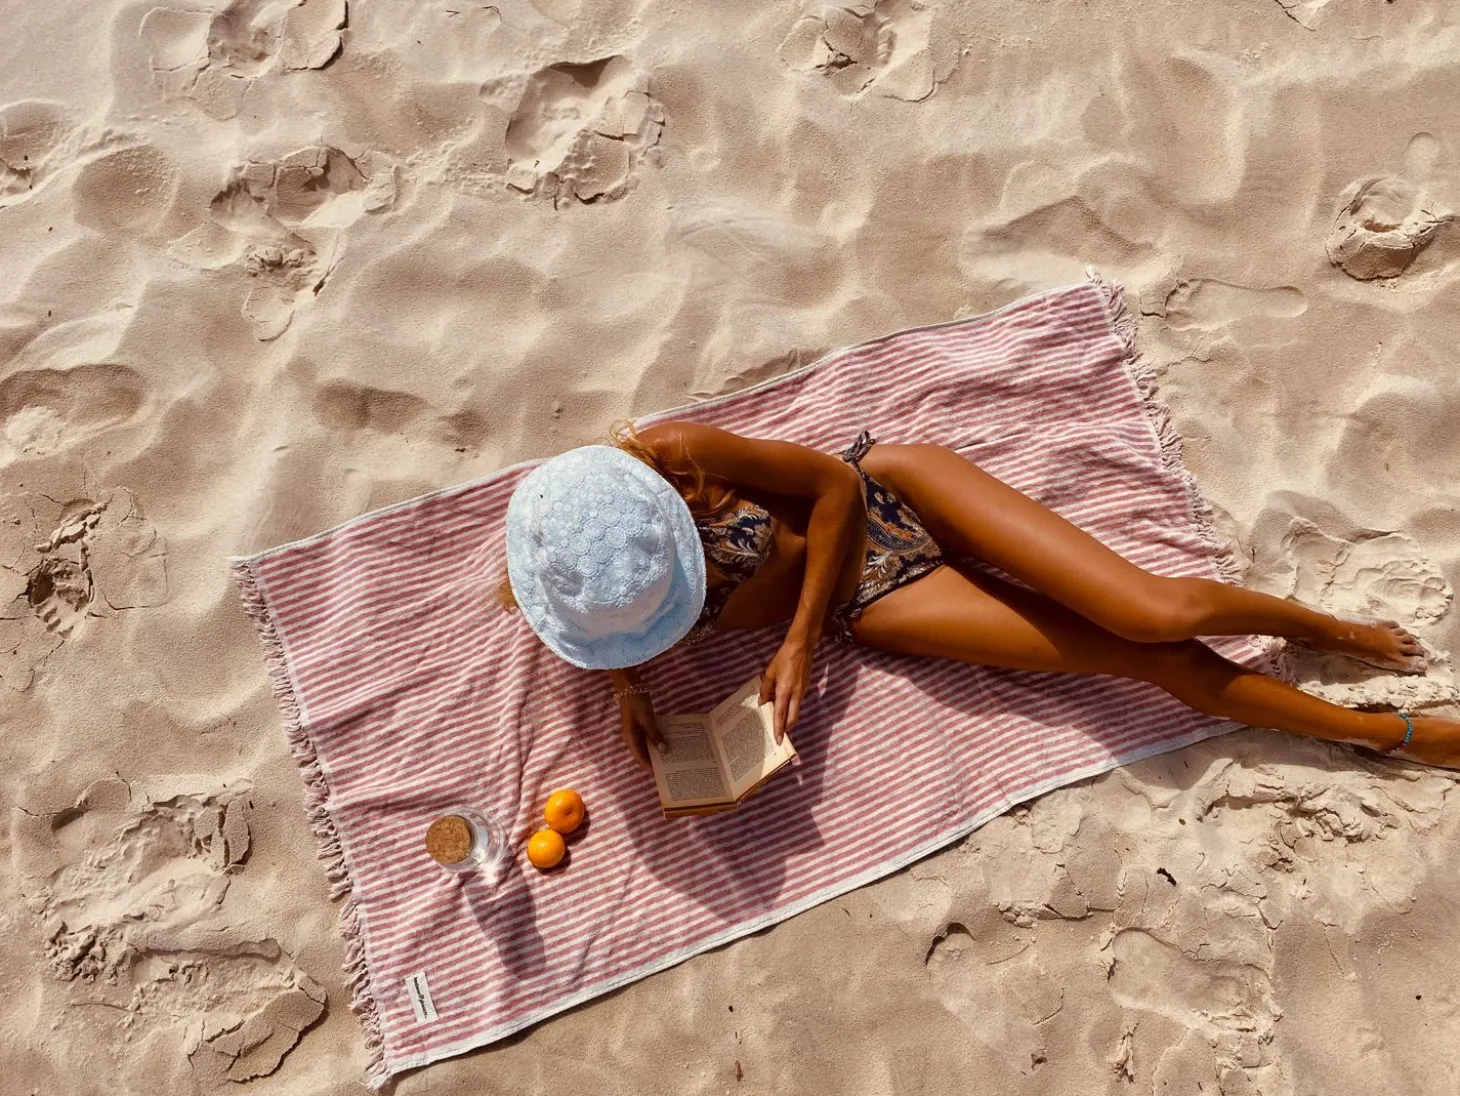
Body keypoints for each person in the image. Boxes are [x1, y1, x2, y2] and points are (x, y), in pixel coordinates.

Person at [499, 421, 1455, 771]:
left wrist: (794, 647)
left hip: (888, 494)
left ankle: (1332, 628)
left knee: (1151, 611)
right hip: (875, 599)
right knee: (1137, 659)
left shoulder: (680, 452)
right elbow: (612, 636)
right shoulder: (580, 595)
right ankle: (1380, 736)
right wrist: (627, 685)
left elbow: (832, 488)